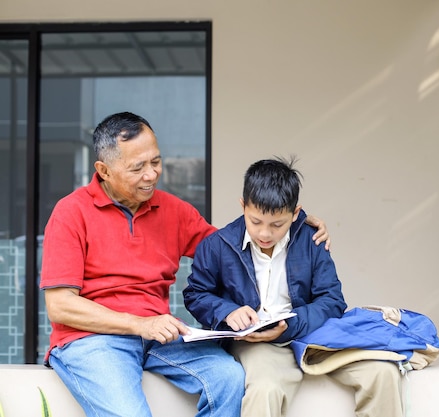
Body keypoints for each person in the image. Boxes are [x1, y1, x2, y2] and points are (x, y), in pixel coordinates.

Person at [39, 112, 330, 417]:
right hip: (91, 341)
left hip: (159, 337)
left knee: (229, 380)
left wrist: (294, 226)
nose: (151, 174)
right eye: (138, 167)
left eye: (155, 161)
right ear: (104, 170)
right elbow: (60, 306)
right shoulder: (71, 212)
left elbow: (234, 246)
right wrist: (139, 323)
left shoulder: (173, 210)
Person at [183, 157, 405, 417]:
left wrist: (291, 326)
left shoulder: (312, 240)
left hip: (312, 336)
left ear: (296, 212)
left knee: (383, 372)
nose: (265, 233)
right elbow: (196, 295)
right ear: (243, 206)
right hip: (256, 343)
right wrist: (228, 311)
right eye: (255, 222)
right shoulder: (217, 245)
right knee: (265, 388)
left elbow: (332, 301)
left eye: (277, 224)